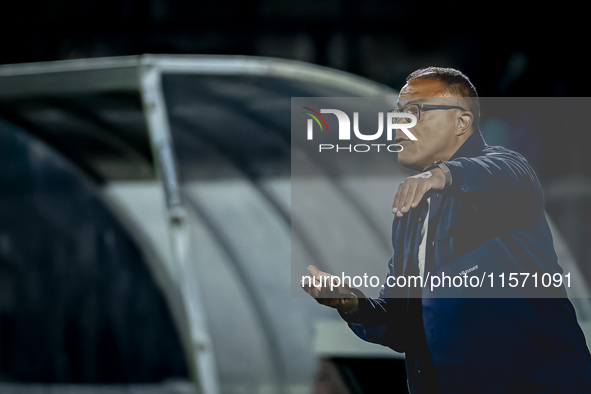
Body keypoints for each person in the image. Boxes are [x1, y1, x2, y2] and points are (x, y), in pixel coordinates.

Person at [302, 67, 591, 393]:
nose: (399, 125)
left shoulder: (507, 173)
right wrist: (353, 305)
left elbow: (499, 175)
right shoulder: (411, 215)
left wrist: (441, 175)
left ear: (462, 122)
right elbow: (399, 324)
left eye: (415, 111)